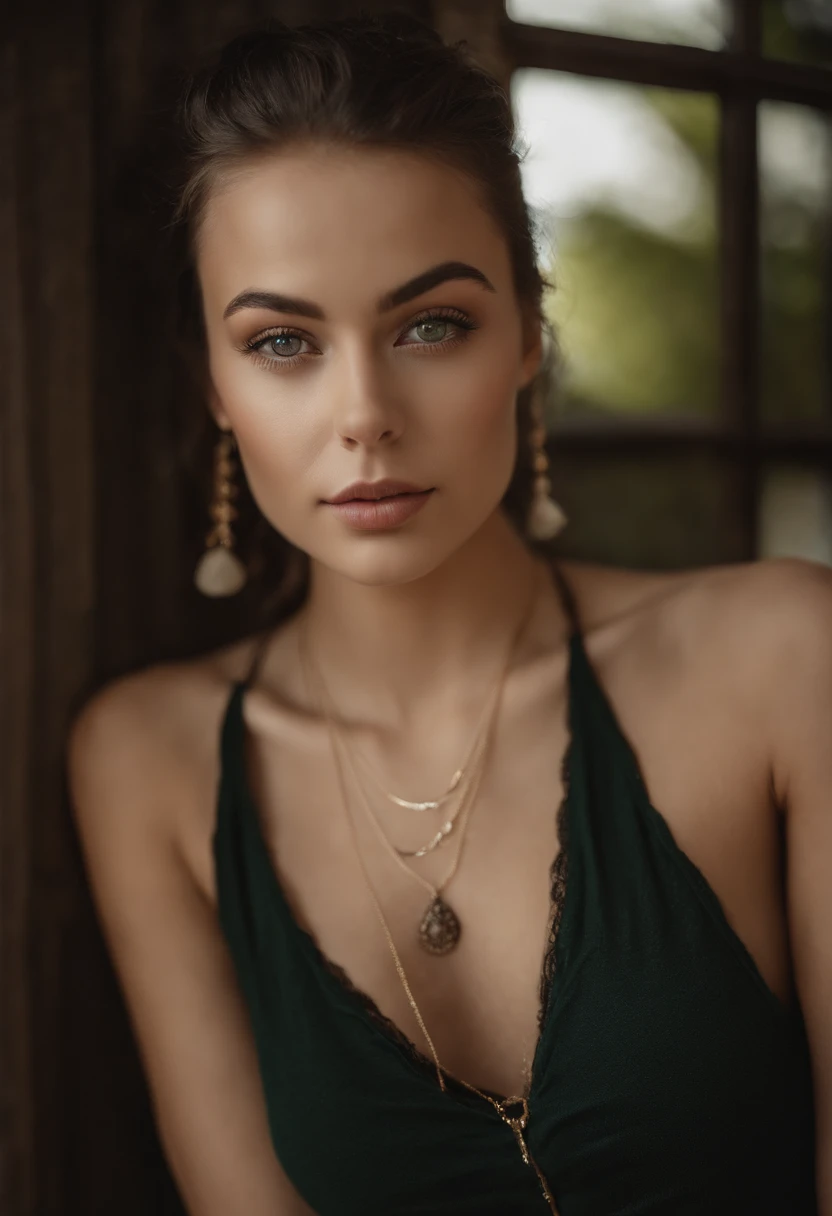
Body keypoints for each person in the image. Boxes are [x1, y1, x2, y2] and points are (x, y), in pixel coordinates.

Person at [66, 13, 831, 1216]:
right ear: (212, 386)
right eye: (282, 342)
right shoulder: (148, 760)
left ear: (530, 333)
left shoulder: (783, 658)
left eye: (431, 324)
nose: (364, 412)